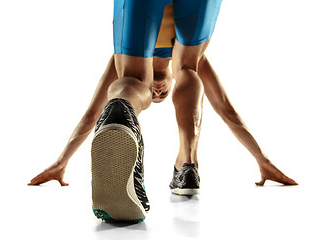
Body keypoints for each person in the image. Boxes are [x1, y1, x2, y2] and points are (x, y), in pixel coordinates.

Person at [29, 1, 297, 222]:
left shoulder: (119, 64)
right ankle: (186, 165)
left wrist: (62, 161)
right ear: (170, 81)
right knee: (188, 70)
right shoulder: (191, 63)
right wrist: (263, 161)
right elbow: (226, 110)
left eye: (157, 95)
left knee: (132, 80)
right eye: (161, 94)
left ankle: (131, 114)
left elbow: (93, 115)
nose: (157, 92)